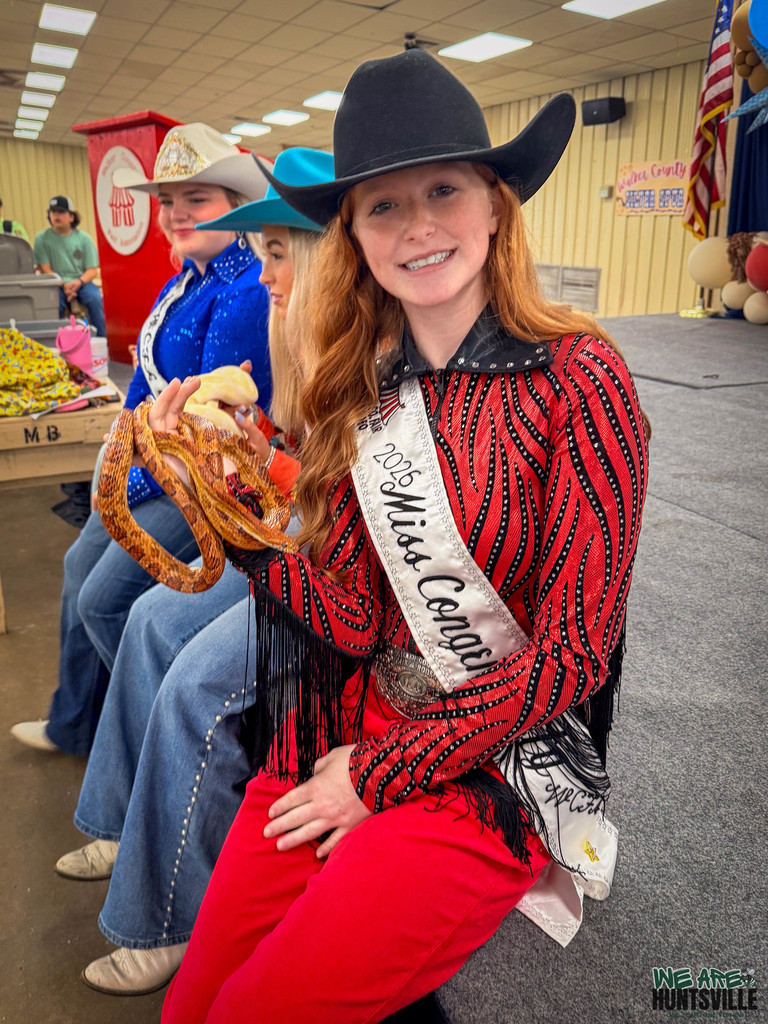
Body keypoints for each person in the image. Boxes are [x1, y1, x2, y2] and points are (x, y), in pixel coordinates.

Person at [146, 49, 648, 1024]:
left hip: (492, 767)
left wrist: (378, 775)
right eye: (383, 205)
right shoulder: (362, 389)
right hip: (347, 728)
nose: (418, 225)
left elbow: (577, 653)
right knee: (193, 1009)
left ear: (497, 204)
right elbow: (356, 615)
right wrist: (230, 516)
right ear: (357, 234)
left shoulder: (581, 379)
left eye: (446, 190)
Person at [54, 149, 333, 997]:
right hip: (293, 540)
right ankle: (127, 816)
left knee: (185, 676)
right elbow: (295, 462)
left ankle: (166, 913)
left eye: (282, 254)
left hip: (325, 566)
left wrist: (253, 460)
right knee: (140, 620)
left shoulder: (317, 324)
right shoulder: (288, 321)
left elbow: (330, 500)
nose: (269, 273)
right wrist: (253, 450)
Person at [11, 123, 270, 757]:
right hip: (143, 466)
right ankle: (77, 721)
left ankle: (138, 734)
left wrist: (133, 466)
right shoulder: (183, 281)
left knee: (103, 602)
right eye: (168, 203)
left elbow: (208, 424)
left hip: (192, 484)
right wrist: (115, 454)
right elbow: (144, 384)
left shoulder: (243, 291)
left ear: (236, 209)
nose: (177, 214)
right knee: (78, 569)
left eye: (197, 200)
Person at [33, 194, 107, 336]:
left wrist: (78, 283)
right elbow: (45, 269)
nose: (56, 215)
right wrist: (63, 285)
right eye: (53, 212)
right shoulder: (41, 239)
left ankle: (101, 340)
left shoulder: (84, 239)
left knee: (95, 299)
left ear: (71, 217)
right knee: (53, 306)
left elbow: (92, 270)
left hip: (82, 283)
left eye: (61, 212)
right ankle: (55, 343)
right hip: (54, 284)